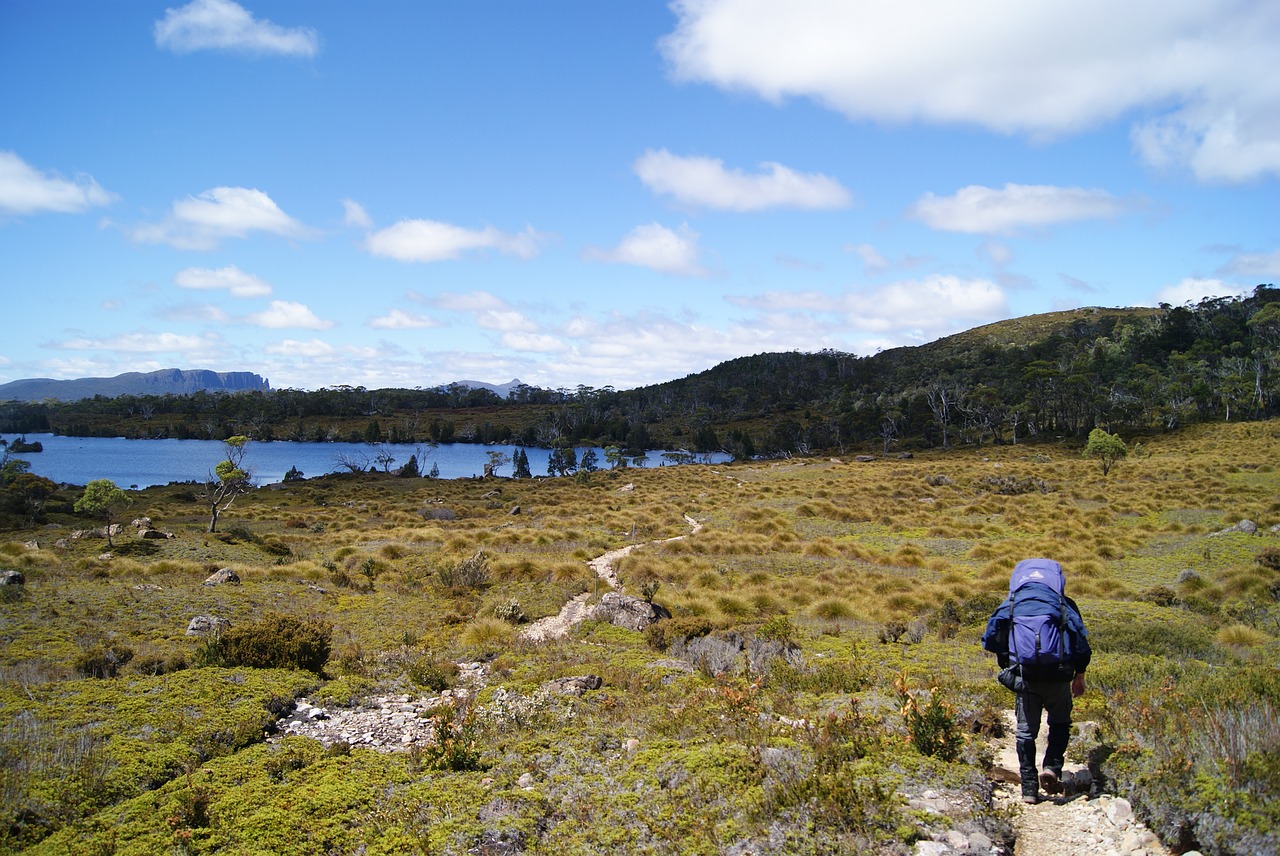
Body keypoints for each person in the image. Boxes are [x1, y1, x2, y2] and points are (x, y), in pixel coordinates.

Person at [982, 557, 1091, 804]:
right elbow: (1081, 645)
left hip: (1026, 678)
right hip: (1059, 677)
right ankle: (1052, 766)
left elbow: (990, 639)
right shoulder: (1064, 604)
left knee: (1025, 733)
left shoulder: (1011, 604)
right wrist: (1080, 674)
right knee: (1060, 723)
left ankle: (1029, 788)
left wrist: (1008, 661)